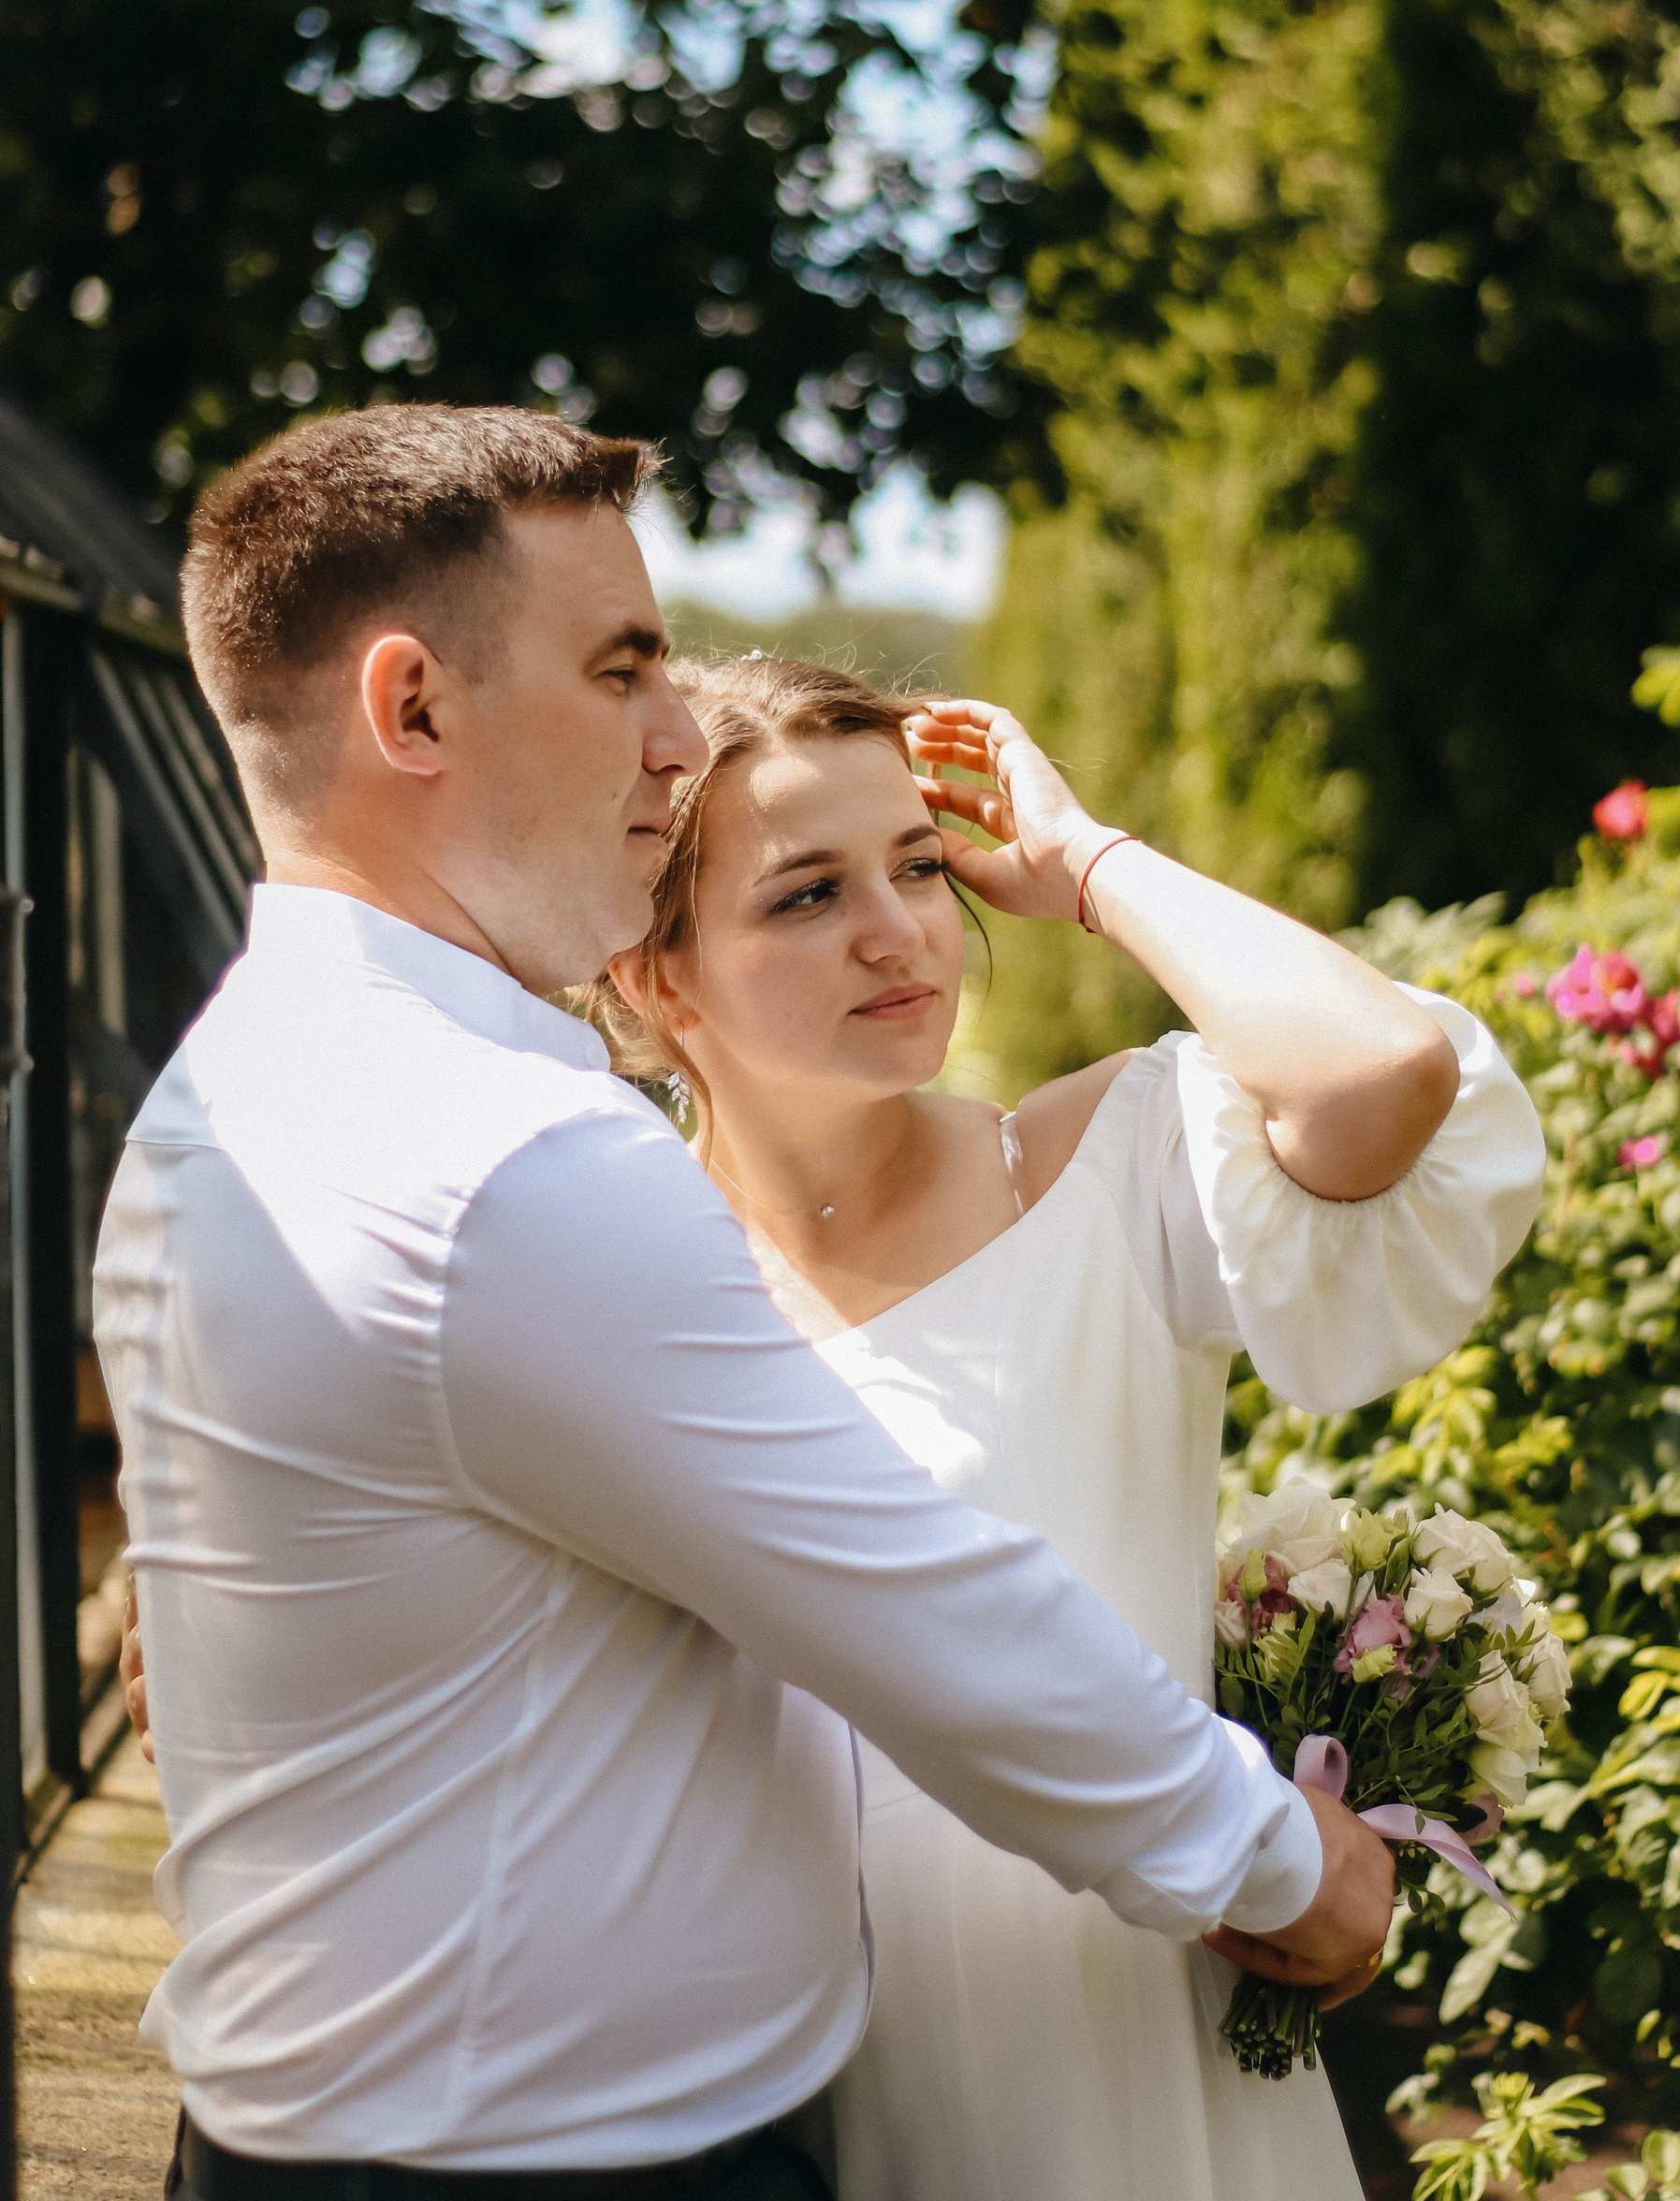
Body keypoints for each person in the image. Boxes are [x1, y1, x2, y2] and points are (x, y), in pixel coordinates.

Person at [95, 405, 1401, 2201]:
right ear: (412, 711)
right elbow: (919, 1610)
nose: (672, 732)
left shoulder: (216, 1099)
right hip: (552, 2172)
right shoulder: (510, 1160)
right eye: (621, 667)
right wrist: (1286, 1864)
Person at [591, 653, 1546, 2201]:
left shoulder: (1099, 1169)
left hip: (1150, 2039)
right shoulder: (614, 1307)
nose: (899, 930)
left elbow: (1383, 1075)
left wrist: (1091, 864)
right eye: (808, 894)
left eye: (917, 864)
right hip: (799, 2098)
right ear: (655, 977)